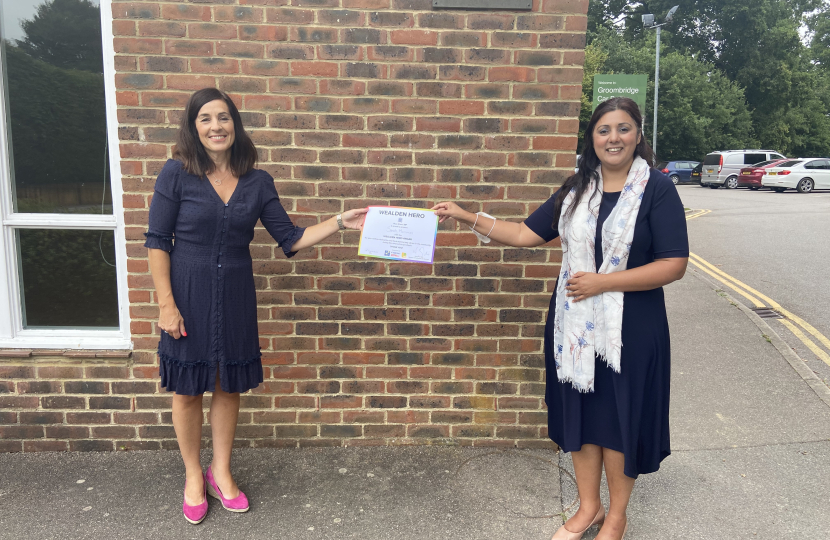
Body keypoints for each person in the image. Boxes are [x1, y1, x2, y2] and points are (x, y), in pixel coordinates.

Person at [433, 97, 688, 540]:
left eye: (623, 128)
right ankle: (589, 507)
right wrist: (465, 215)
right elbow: (523, 234)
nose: (614, 138)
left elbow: (674, 263)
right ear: (592, 137)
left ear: (638, 135)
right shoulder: (576, 190)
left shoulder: (657, 189)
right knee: (583, 418)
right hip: (573, 329)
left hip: (633, 329)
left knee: (620, 420)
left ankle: (616, 516)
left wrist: (603, 283)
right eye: (604, 129)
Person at [144, 88, 367, 524]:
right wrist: (166, 304)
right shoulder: (176, 174)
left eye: (223, 118)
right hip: (186, 293)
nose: (215, 126)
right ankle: (193, 476)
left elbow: (292, 238)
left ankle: (220, 471)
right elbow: (157, 241)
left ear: (235, 125)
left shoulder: (257, 181)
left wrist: (342, 221)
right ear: (193, 127)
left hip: (236, 297)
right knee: (188, 391)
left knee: (229, 385)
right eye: (205, 119)